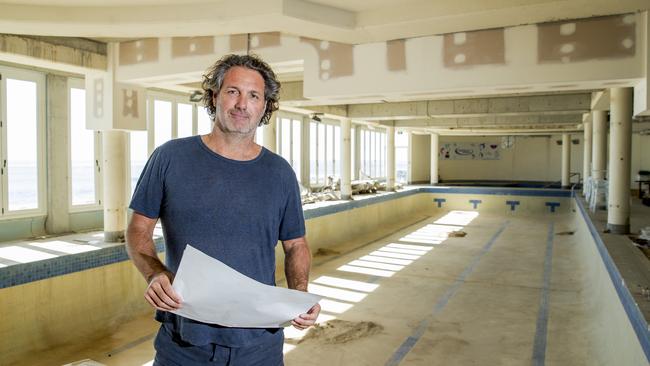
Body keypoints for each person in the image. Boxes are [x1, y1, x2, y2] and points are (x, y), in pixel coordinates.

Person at [126, 53, 320, 366]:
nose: (242, 104)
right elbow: (138, 229)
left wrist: (300, 292)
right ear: (215, 97)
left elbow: (296, 244)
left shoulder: (279, 172)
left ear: (264, 107)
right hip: (184, 343)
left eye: (254, 95)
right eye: (233, 92)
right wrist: (155, 273)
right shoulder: (170, 158)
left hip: (260, 344)